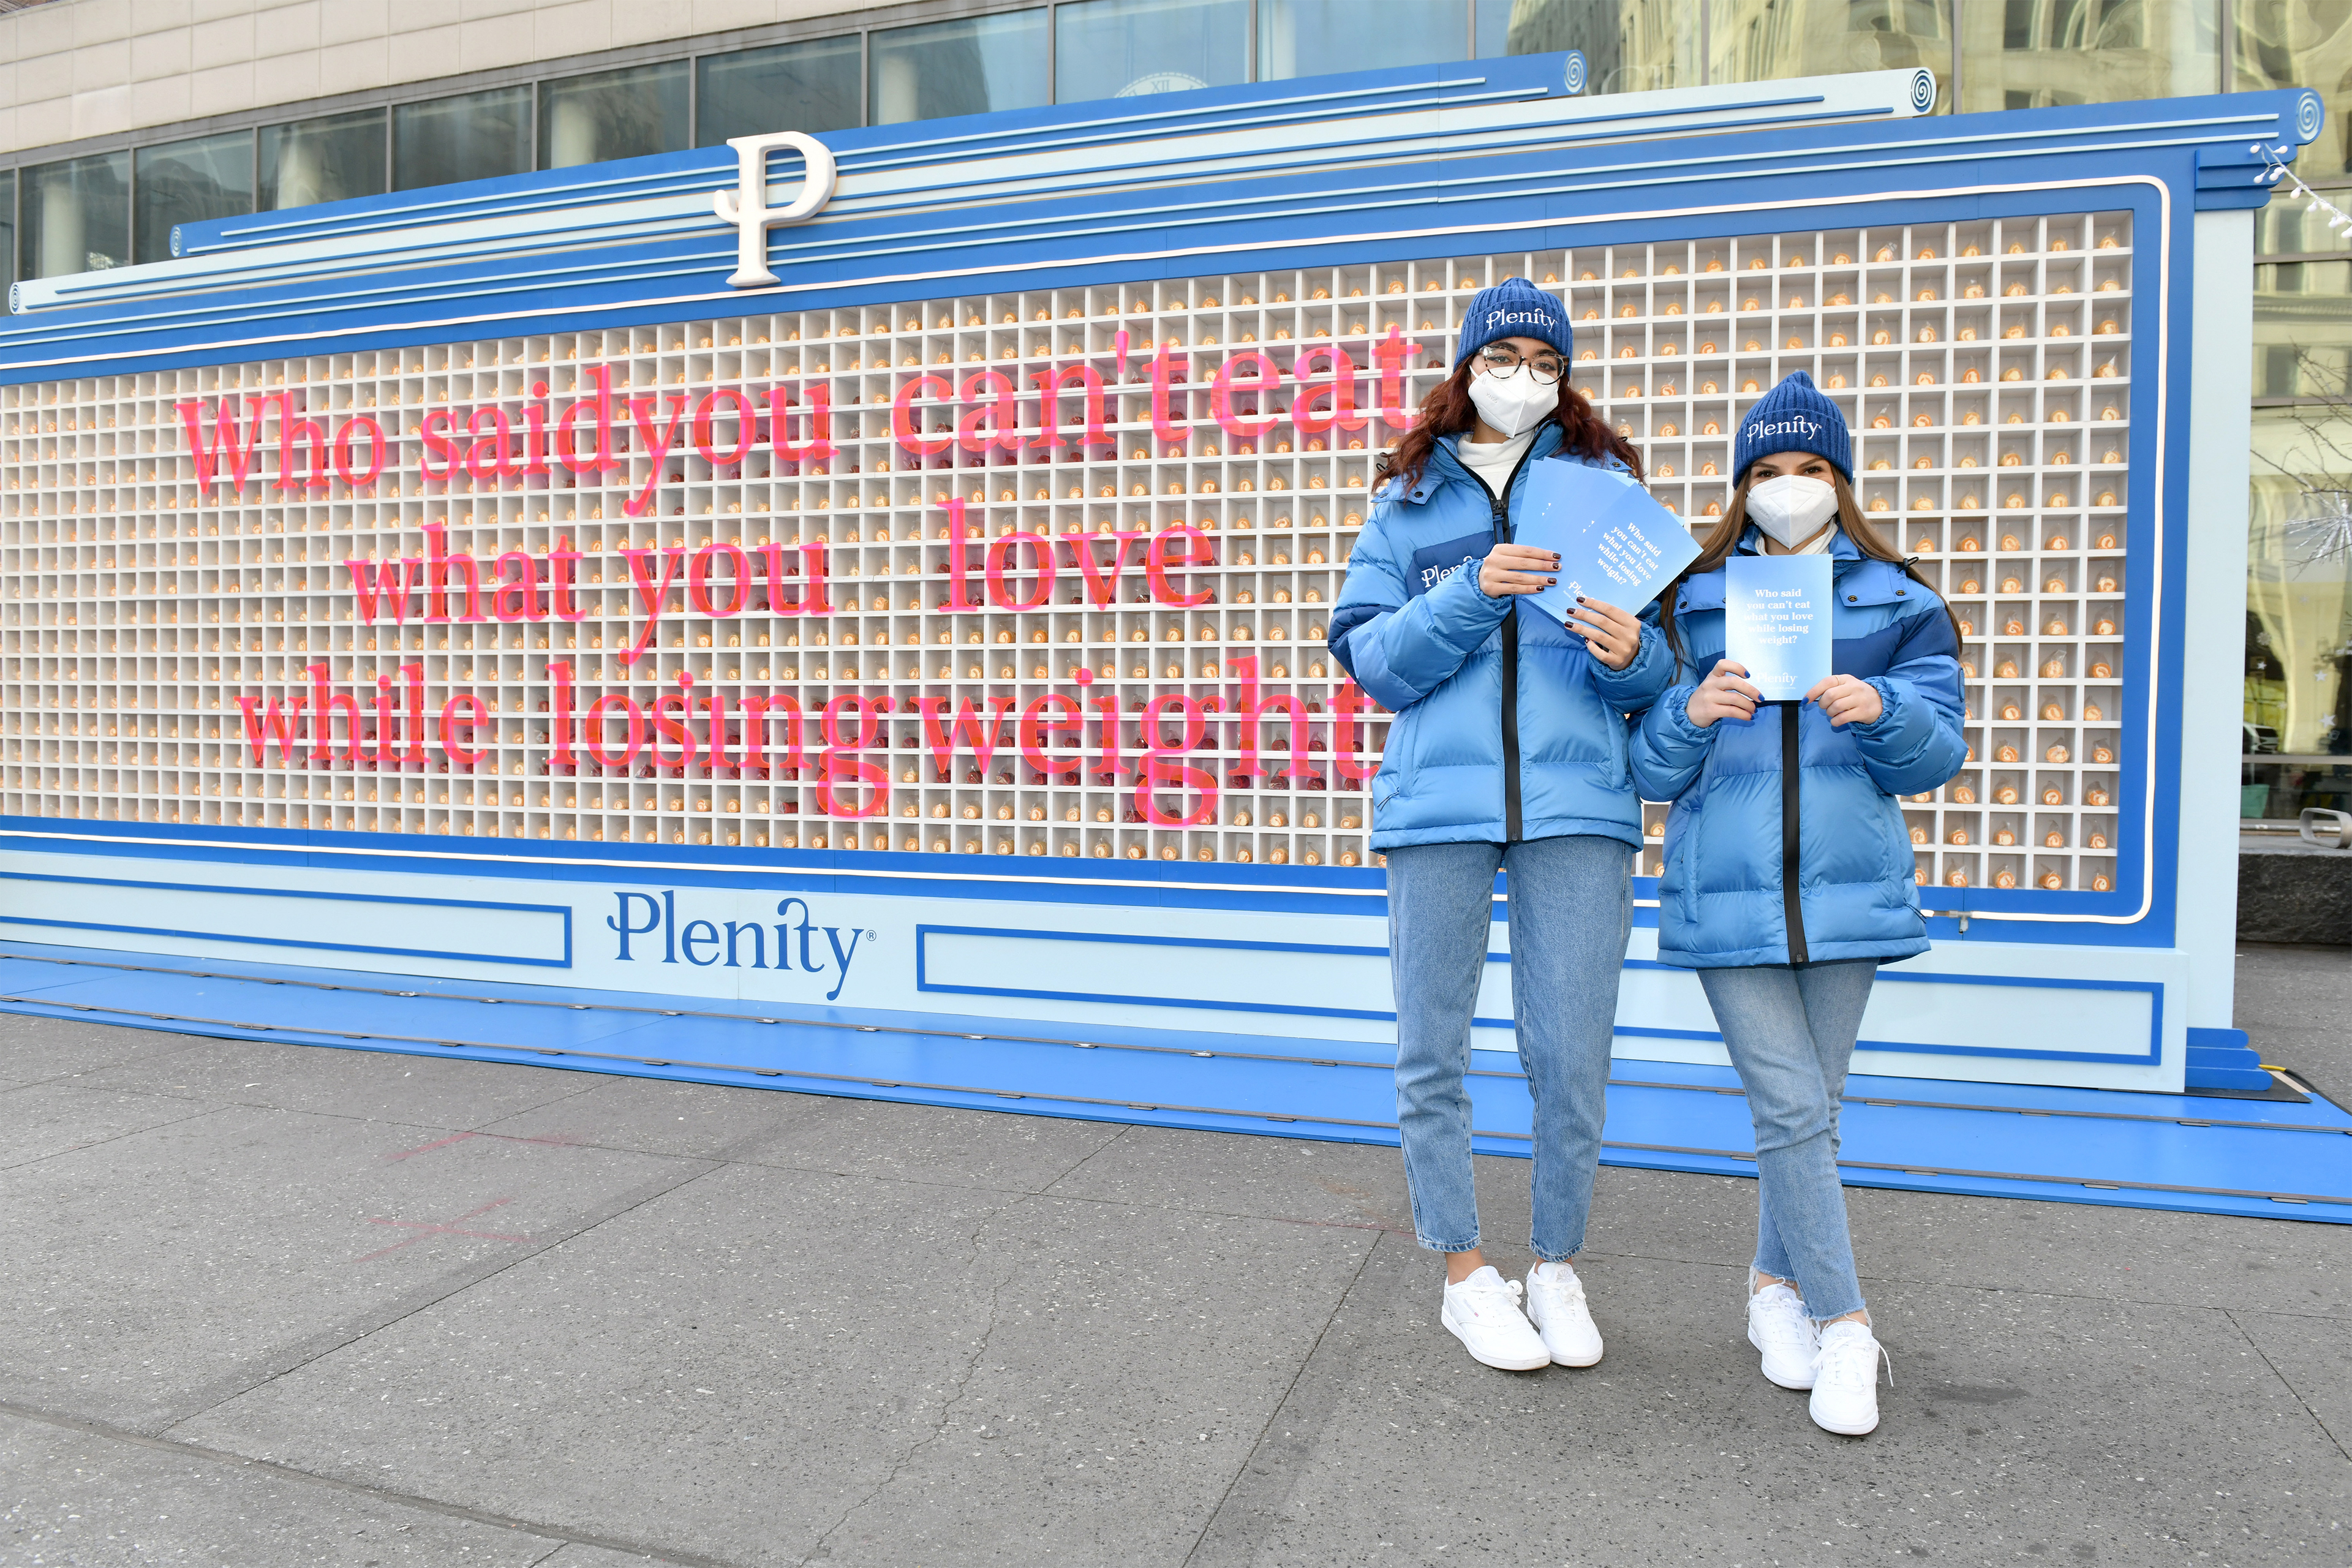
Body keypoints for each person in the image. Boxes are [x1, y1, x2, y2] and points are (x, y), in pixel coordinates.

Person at [1332, 277, 1673, 1371]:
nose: (1523, 376)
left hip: (1579, 805)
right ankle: (1464, 1270)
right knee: (1431, 1048)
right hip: (1439, 805)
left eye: (1544, 360)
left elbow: (1663, 676)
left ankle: (1558, 1265)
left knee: (1570, 1049)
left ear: (1563, 379)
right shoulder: (1409, 501)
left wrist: (1640, 656)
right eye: (1504, 356)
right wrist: (1472, 590)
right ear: (1467, 367)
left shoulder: (1607, 494)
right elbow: (1373, 662)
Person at [1627, 371, 1967, 1434]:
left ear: (1841, 479)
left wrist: (1886, 709)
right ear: (1741, 487)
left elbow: (1939, 753)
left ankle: (1774, 1291)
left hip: (1849, 895)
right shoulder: (1686, 601)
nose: (1787, 489)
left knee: (1808, 1117)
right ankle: (1850, 1326)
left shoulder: (1901, 601)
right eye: (1766, 472)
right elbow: (1646, 766)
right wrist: (1689, 713)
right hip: (1723, 894)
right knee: (1791, 1109)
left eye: (1809, 469)